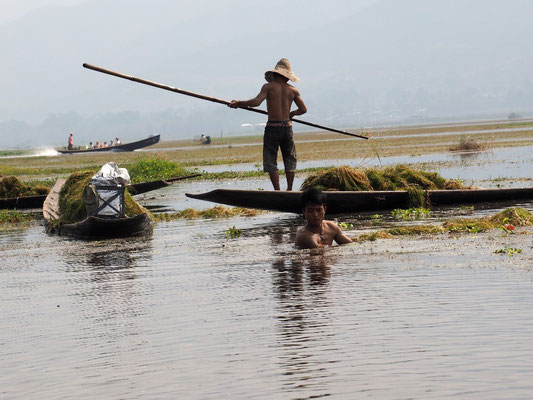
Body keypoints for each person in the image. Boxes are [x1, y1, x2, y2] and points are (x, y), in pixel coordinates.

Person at [229, 58, 307, 191]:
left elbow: (256, 102)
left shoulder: (268, 87)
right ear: (287, 76)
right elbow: (303, 110)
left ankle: (277, 190)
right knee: (289, 158)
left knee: (271, 159)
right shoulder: (293, 90)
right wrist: (292, 114)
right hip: (287, 128)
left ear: (275, 74)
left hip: (273, 127)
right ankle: (289, 189)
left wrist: (239, 103)